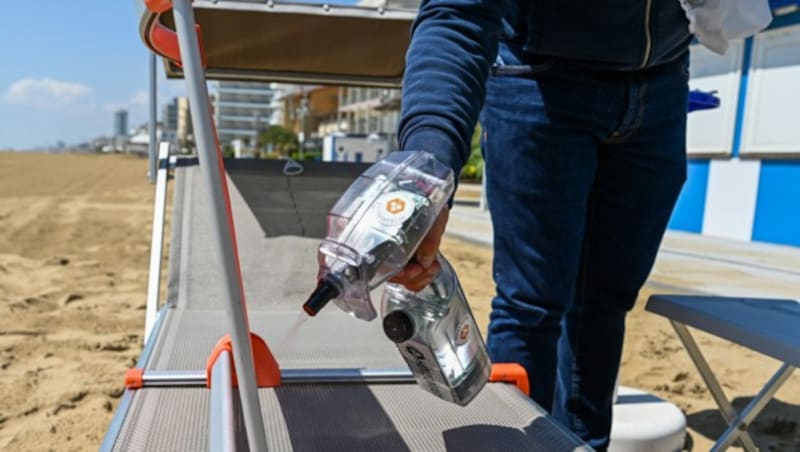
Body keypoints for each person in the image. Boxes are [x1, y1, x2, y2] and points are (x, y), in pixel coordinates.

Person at [389, 1, 692, 449]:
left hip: (663, 81)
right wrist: (428, 169)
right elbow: (457, 13)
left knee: (604, 305)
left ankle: (588, 444)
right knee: (530, 305)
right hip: (537, 74)